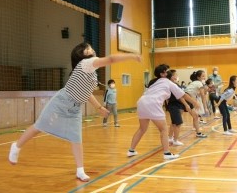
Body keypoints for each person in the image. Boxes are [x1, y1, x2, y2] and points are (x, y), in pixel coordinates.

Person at [8, 42, 141, 182]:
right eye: (88, 48)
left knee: (76, 138)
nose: (92, 48)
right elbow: (111, 60)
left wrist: (99, 108)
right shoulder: (87, 63)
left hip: (75, 108)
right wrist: (131, 56)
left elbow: (88, 92)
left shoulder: (91, 71)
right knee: (39, 126)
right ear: (83, 54)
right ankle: (16, 147)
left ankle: (80, 170)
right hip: (61, 103)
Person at [127, 64, 200, 160]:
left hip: (142, 102)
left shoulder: (154, 82)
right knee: (164, 129)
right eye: (167, 71)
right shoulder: (167, 82)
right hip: (153, 103)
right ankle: (167, 153)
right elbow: (183, 95)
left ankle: (131, 150)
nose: (169, 72)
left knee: (142, 129)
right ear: (162, 74)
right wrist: (194, 102)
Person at [166, 70, 191, 146]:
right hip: (174, 105)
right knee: (178, 123)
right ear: (172, 76)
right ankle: (175, 140)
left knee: (173, 122)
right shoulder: (172, 85)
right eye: (175, 75)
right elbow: (180, 96)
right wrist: (186, 104)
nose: (177, 76)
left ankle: (170, 137)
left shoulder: (175, 84)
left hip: (177, 106)